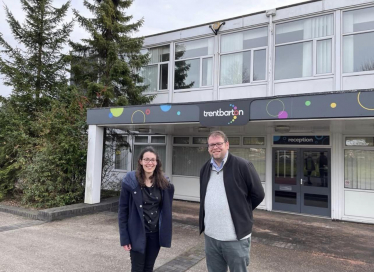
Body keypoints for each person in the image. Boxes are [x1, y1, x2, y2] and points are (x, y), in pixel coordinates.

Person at [199, 131, 265, 272]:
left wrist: (242, 211)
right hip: (211, 237)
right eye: (211, 144)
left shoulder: (243, 165)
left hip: (236, 238)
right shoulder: (205, 169)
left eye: (219, 144)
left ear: (227, 145)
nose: (215, 147)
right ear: (208, 147)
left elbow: (258, 194)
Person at [118, 146, 174, 272]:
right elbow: (123, 211)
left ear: (157, 162)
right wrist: (125, 237)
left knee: (148, 268)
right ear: (140, 161)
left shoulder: (163, 183)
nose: (150, 163)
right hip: (137, 233)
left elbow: (166, 211)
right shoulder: (130, 182)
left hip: (155, 234)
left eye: (153, 160)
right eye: (147, 159)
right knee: (137, 268)